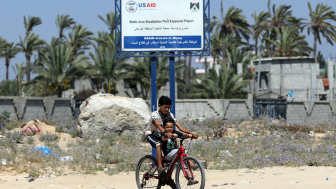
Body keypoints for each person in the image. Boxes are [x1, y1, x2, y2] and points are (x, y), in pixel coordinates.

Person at [144, 96, 198, 178]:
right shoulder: (155, 114)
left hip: (162, 135)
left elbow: (180, 127)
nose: (167, 109)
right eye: (165, 107)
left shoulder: (170, 115)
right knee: (159, 144)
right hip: (152, 135)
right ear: (159, 106)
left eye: (168, 107)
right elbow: (158, 125)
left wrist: (192, 133)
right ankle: (160, 167)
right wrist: (167, 133)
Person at [161, 117, 198, 188]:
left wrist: (189, 135)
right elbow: (163, 138)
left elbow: (181, 134)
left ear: (173, 127)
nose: (169, 129)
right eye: (167, 127)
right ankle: (192, 164)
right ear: (163, 127)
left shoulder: (174, 132)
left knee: (183, 161)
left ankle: (190, 179)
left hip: (175, 154)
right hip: (168, 154)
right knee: (179, 151)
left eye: (171, 127)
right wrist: (170, 135)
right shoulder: (164, 133)